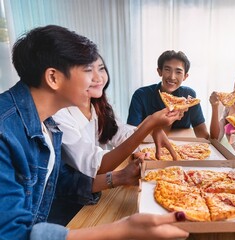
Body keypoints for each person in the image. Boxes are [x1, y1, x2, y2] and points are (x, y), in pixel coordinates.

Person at [0, 25, 188, 240]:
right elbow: (12, 234)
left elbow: (61, 182)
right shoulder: (5, 132)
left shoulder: (47, 122)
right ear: (53, 78)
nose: (96, 80)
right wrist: (118, 231)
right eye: (87, 71)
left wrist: (119, 177)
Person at [48, 55, 180, 225]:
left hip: (99, 193)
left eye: (101, 68)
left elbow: (120, 133)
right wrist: (149, 124)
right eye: (88, 70)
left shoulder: (97, 104)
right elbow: (96, 165)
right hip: (68, 209)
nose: (98, 77)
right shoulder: (59, 115)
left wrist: (153, 129)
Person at [127, 50, 209, 139]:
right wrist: (173, 114)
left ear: (185, 76)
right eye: (167, 69)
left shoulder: (189, 95)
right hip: (147, 148)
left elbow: (203, 136)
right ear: (159, 71)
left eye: (178, 72)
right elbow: (131, 136)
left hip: (183, 148)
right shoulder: (141, 95)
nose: (172, 77)